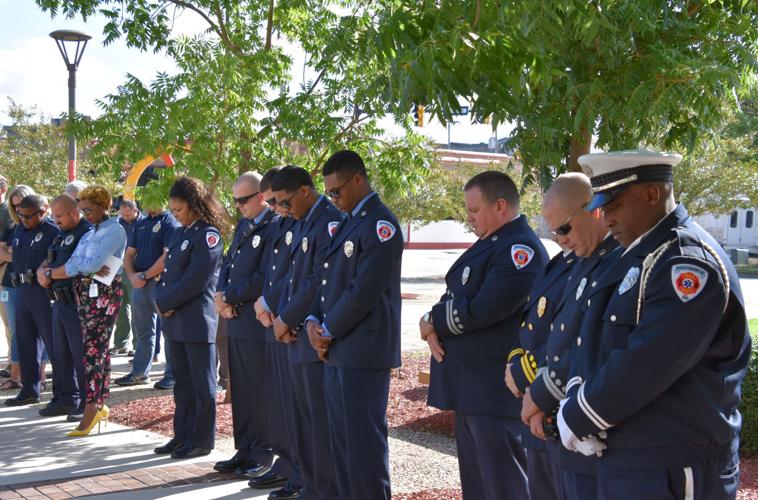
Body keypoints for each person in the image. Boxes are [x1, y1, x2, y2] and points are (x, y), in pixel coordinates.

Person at [558, 150, 751, 499]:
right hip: (637, 458)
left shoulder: (685, 261)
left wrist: (581, 413)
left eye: (613, 204)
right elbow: (599, 340)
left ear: (651, 194)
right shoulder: (641, 256)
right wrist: (578, 393)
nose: (606, 218)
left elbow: (651, 359)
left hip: (676, 462)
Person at [419, 171, 547, 499]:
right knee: (478, 487)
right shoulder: (494, 243)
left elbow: (485, 307)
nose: (468, 217)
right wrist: (430, 320)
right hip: (473, 391)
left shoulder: (520, 249)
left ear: (500, 205)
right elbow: (456, 295)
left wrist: (434, 320)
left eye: (474, 210)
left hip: (493, 392)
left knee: (504, 487)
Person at [515, 173, 621, 499]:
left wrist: (543, 393)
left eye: (563, 228)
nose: (559, 239)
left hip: (590, 432)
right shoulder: (581, 261)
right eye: (552, 231)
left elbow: (598, 349)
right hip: (561, 424)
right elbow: (554, 337)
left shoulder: (618, 262)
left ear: (594, 210)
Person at [305, 150, 403, 500]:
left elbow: (364, 291)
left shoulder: (381, 225)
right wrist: (314, 320)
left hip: (363, 350)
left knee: (363, 447)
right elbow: (327, 280)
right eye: (329, 192)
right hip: (338, 349)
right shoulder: (349, 221)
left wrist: (327, 329)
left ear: (358, 180)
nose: (333, 199)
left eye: (337, 191)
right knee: (343, 445)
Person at [257, 165, 342, 499]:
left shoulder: (327, 221)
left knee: (317, 424)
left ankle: (324, 489)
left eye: (285, 201)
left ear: (305, 191)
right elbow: (290, 277)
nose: (282, 209)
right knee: (301, 421)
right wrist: (277, 313)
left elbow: (318, 281)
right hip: (294, 330)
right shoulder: (303, 221)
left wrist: (287, 318)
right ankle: (309, 484)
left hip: (310, 332)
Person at [153, 177, 227, 459]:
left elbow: (196, 280)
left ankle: (201, 439)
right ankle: (181, 434)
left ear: (195, 206)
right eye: (172, 209)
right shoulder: (181, 233)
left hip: (196, 321)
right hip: (175, 321)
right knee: (181, 383)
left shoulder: (209, 235)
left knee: (201, 384)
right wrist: (162, 301)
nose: (175, 214)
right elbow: (169, 274)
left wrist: (164, 302)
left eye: (179, 209)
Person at [504, 211, 576, 499]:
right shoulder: (560, 262)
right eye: (553, 226)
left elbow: (572, 336)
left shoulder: (597, 263)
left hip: (557, 403)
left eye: (563, 225)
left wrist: (529, 378)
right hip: (536, 400)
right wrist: (515, 362)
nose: (556, 232)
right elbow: (531, 323)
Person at [47, 185, 126, 436]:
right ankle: (99, 402)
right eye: (82, 210)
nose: (86, 214)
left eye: (89, 209)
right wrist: (86, 267)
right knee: (95, 350)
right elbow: (73, 263)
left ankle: (91, 406)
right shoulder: (91, 232)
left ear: (104, 205)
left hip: (103, 296)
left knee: (92, 352)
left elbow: (90, 263)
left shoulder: (115, 230)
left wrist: (86, 267)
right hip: (85, 295)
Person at [213, 172, 277, 479]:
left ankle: (263, 452)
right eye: (234, 200)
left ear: (261, 196)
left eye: (244, 199)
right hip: (234, 318)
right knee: (240, 388)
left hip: (255, 322)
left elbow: (264, 275)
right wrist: (220, 295)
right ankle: (245, 447)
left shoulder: (273, 226)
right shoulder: (243, 225)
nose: (238, 206)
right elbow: (228, 264)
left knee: (258, 390)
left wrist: (229, 295)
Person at [251, 167, 304, 498]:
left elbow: (298, 275)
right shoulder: (282, 222)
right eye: (269, 202)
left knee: (299, 408)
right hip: (274, 317)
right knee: (283, 404)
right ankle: (287, 466)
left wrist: (270, 303)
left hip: (291, 321)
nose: (273, 207)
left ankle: (301, 474)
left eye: (276, 201)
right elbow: (274, 271)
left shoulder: (298, 221)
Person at [36, 195, 91, 419]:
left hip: (76, 302)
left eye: (59, 216)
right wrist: (42, 271)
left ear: (74, 212)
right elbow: (49, 258)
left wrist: (49, 273)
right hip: (58, 301)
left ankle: (86, 403)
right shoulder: (62, 234)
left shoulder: (86, 233)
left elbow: (77, 266)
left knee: (81, 355)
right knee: (61, 354)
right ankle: (65, 398)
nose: (55, 220)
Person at [115, 202, 180, 388]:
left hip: (159, 281)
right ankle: (139, 372)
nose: (148, 203)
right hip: (139, 282)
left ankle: (171, 375)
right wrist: (133, 276)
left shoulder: (169, 222)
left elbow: (167, 255)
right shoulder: (141, 223)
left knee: (168, 330)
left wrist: (144, 275)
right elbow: (129, 253)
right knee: (143, 331)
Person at [3, 194, 59, 407]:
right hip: (22, 288)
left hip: (42, 292)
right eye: (21, 215)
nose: (24, 220)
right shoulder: (19, 229)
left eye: (28, 216)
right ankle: (29, 390)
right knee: (25, 341)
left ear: (42, 212)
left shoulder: (52, 232)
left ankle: (63, 393)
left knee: (53, 343)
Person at [0, 185, 39, 392]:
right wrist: (15, 254)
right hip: (10, 282)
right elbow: (3, 253)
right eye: (14, 207)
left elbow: (32, 255)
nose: (17, 211)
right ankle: (16, 376)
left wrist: (13, 253)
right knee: (16, 330)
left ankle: (36, 377)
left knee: (35, 331)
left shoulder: (42, 227)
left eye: (20, 205)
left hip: (33, 283)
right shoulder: (11, 225)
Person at [112, 199, 144, 355]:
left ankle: (138, 345)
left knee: (136, 306)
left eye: (128, 214)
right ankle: (120, 343)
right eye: (122, 213)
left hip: (135, 269)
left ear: (135, 210)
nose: (125, 216)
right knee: (120, 307)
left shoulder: (144, 223)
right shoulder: (118, 223)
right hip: (118, 268)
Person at [0, 175, 12, 377]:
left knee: (9, 319)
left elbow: (8, 248)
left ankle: (14, 364)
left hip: (3, 270)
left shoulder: (7, 213)